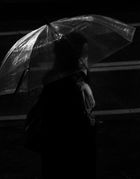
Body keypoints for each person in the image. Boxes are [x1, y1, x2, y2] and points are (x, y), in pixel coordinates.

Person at [24, 32, 96, 179]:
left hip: (54, 151)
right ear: (74, 58)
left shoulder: (55, 80)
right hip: (70, 151)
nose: (86, 59)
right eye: (84, 54)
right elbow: (80, 123)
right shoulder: (72, 88)